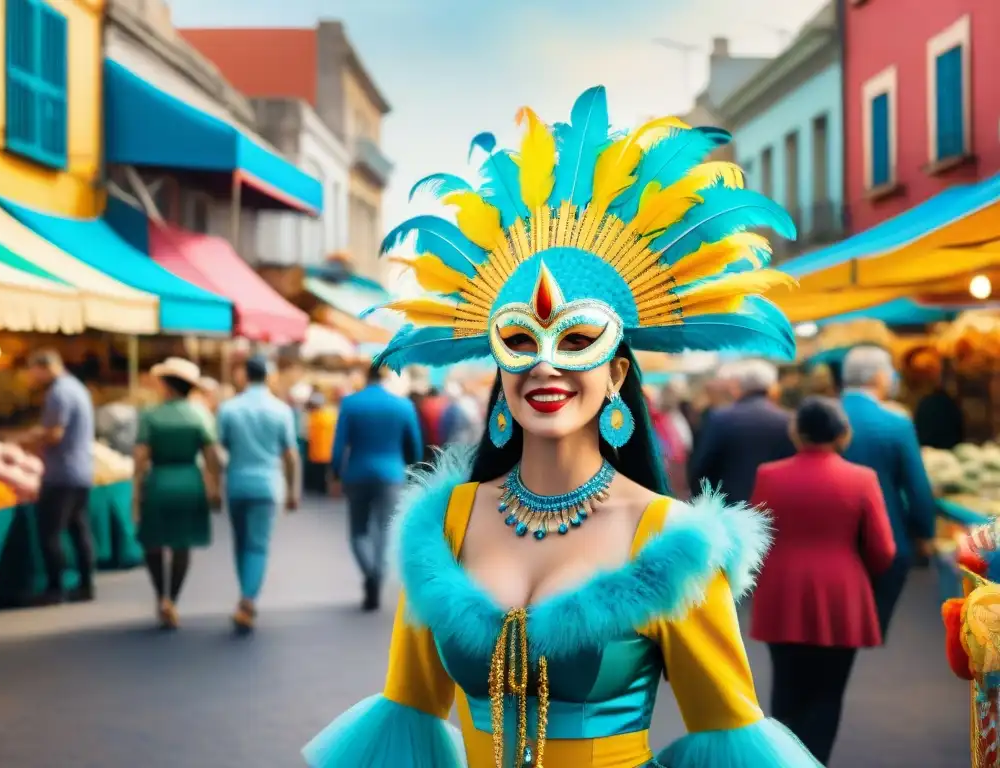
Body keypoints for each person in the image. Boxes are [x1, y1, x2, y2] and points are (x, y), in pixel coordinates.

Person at [301, 87, 819, 767]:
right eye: (520, 340)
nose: (546, 365)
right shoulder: (445, 523)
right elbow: (407, 712)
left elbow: (730, 737)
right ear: (498, 367)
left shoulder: (670, 543)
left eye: (576, 342)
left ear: (617, 379)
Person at [749, 397, 896, 764]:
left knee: (786, 690)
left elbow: (755, 535)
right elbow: (884, 549)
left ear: (797, 433)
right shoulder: (862, 479)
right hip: (842, 594)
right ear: (841, 433)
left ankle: (786, 759)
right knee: (828, 693)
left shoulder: (769, 474)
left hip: (782, 593)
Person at [840, 346, 936, 640]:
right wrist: (924, 532)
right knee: (871, 619)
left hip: (826, 535)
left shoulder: (817, 419)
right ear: (880, 376)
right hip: (885, 532)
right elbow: (916, 485)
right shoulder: (896, 423)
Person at [135, 358, 222, 629]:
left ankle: (160, 594)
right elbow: (213, 457)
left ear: (167, 386)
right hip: (190, 482)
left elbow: (140, 459)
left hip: (159, 481)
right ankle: (173, 599)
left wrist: (137, 493)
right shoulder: (201, 414)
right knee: (181, 545)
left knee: (153, 543)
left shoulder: (150, 415)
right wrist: (215, 489)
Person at [218, 355, 301, 633]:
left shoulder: (229, 409)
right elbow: (290, 455)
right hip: (267, 486)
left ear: (244, 375)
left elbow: (220, 449)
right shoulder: (281, 410)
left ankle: (245, 596)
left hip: (237, 484)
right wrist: (292, 490)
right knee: (257, 545)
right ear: (267, 376)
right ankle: (248, 598)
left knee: (240, 543)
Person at [332, 364, 423, 611]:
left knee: (358, 532)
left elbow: (339, 444)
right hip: (391, 475)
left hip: (357, 474)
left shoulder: (350, 404)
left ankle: (369, 572)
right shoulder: (403, 405)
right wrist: (413, 471)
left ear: (365, 376)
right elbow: (414, 445)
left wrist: (335, 472)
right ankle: (379, 574)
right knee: (385, 529)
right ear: (385, 376)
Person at [23, 349, 96, 605]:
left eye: (33, 371)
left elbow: (54, 434)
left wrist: (29, 439)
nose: (32, 378)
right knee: (78, 528)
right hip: (82, 469)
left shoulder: (59, 393)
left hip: (62, 472)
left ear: (44, 367)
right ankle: (86, 584)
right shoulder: (77, 388)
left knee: (50, 532)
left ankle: (56, 587)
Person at [689, 359, 794, 504]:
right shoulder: (788, 421)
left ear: (738, 387)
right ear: (772, 386)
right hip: (776, 507)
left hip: (732, 509)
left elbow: (703, 467)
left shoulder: (720, 418)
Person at [306, 391, 338, 495]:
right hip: (327, 451)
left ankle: (318, 488)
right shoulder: (331, 415)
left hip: (316, 452)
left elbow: (307, 434)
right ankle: (323, 488)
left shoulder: (314, 417)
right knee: (324, 472)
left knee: (318, 472)